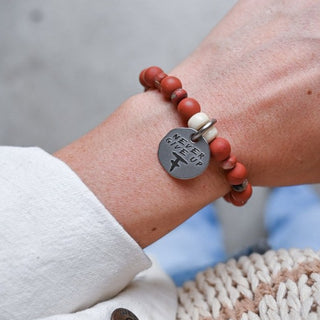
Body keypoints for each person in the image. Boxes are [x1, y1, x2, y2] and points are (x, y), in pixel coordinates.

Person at [1, 0, 320, 319]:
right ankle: (288, 202)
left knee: (186, 236)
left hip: (166, 272)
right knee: (304, 222)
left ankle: (250, 202)